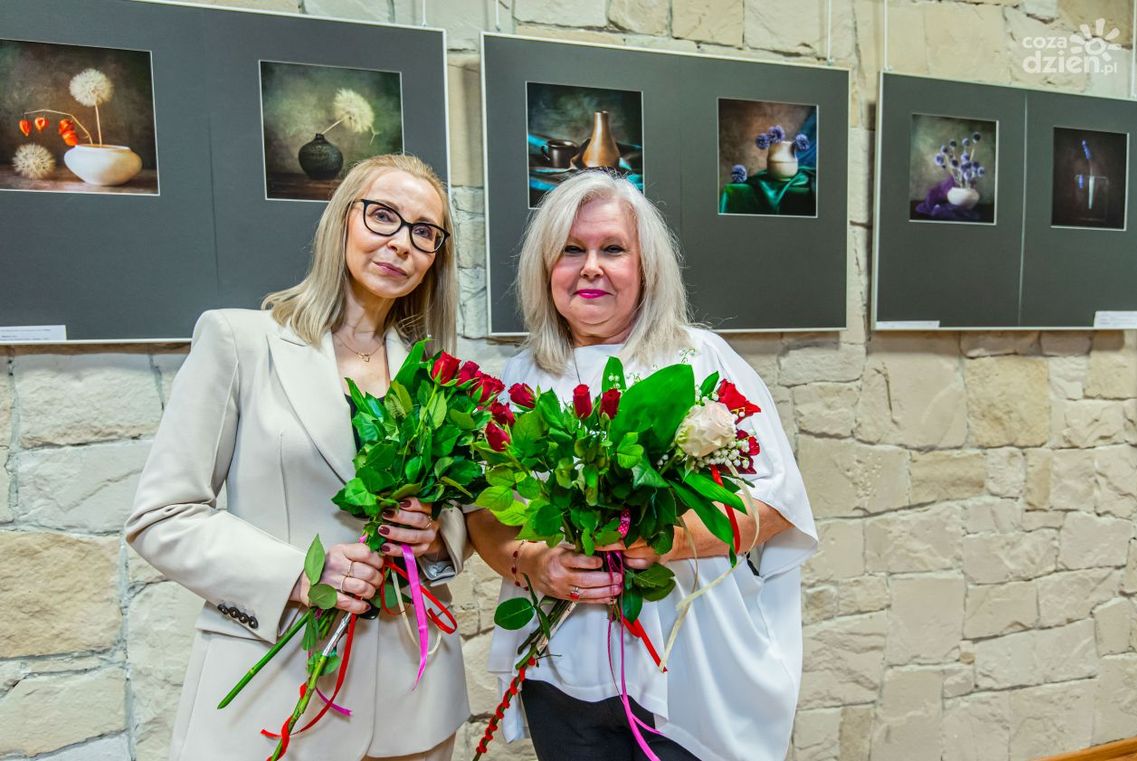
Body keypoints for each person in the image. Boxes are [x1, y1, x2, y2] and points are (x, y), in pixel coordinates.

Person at [466, 170, 817, 761]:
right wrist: (531, 562)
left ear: (647, 267)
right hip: (562, 669)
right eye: (571, 251)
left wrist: (663, 541)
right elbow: (484, 511)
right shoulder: (518, 379)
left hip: (692, 666)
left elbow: (776, 507)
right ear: (544, 269)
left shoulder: (701, 359)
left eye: (613, 249)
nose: (591, 267)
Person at [126, 154, 468, 761]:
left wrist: (437, 537)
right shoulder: (240, 342)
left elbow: (457, 521)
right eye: (382, 216)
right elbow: (162, 516)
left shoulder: (435, 372)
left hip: (413, 702)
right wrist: (299, 576)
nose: (401, 243)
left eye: (424, 231)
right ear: (341, 223)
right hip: (276, 687)